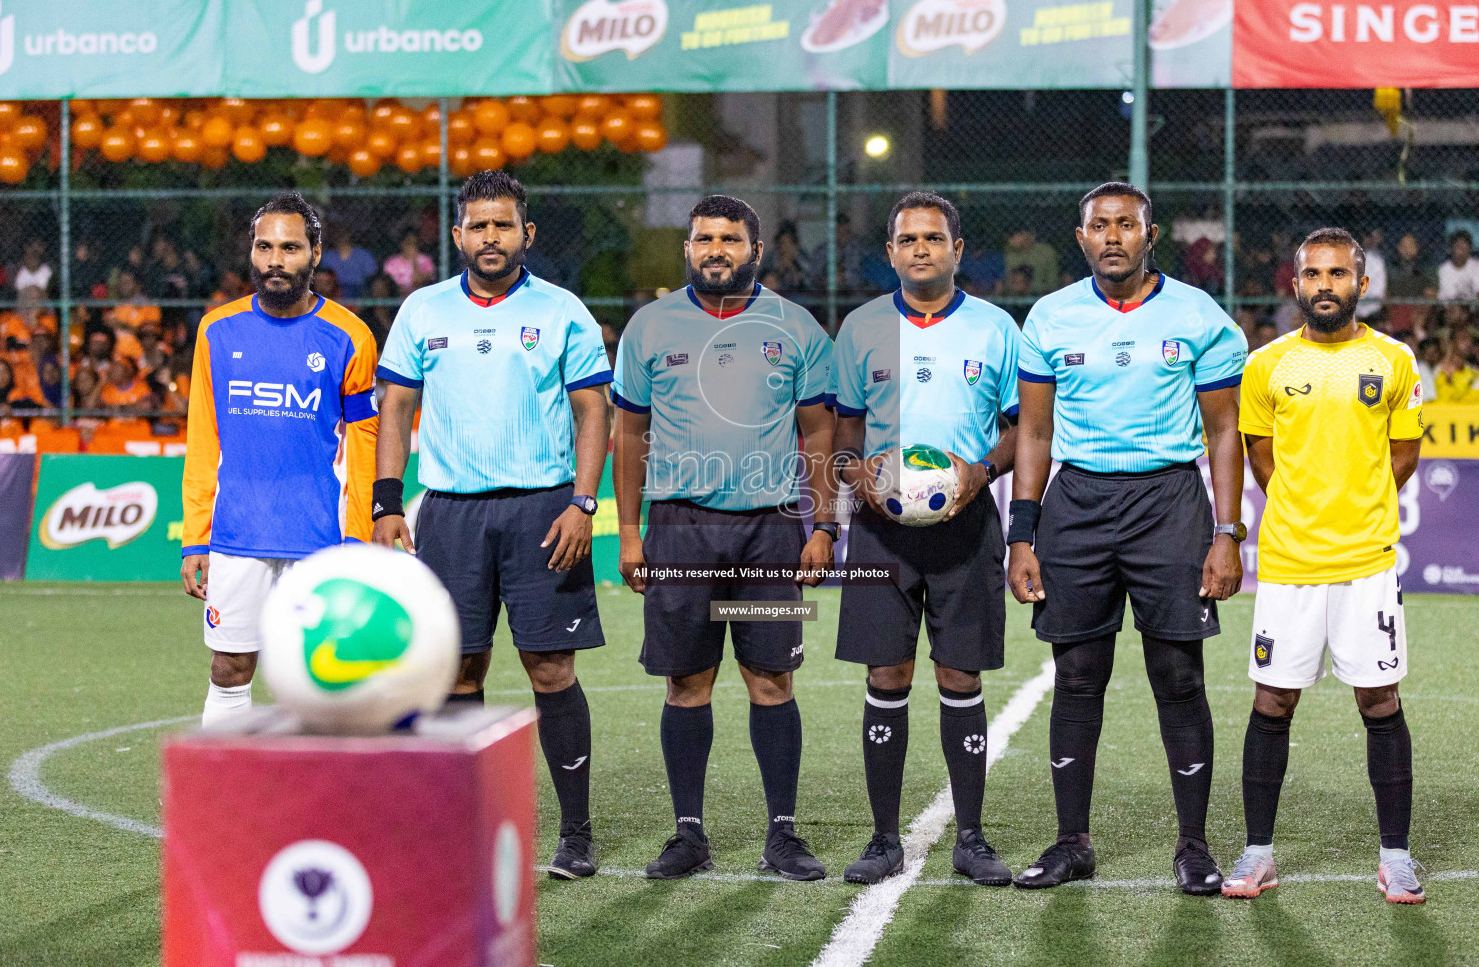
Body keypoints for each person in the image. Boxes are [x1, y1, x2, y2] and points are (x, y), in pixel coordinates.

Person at [1007, 181, 1247, 895]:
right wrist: (1023, 533)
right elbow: (1036, 432)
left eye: (1126, 225)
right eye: (1099, 226)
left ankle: (1194, 846)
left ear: (1150, 235)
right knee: (1078, 677)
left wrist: (1228, 532)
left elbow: (1224, 429)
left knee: (1178, 676)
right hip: (1076, 504)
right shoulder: (1050, 317)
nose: (1113, 237)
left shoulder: (1197, 314)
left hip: (1168, 501)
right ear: (1080, 238)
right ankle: (1071, 842)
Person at [371, 170, 612, 882]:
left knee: (551, 667)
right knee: (457, 669)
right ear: (458, 235)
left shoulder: (563, 310)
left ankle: (576, 834)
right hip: (450, 513)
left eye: (503, 225)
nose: (490, 237)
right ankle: (461, 826)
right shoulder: (422, 309)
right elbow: (394, 409)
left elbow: (593, 410)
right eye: (478, 225)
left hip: (545, 510)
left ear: (526, 234)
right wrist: (388, 503)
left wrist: (584, 503)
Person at [611, 196, 835, 881]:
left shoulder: (795, 327)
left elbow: (819, 432)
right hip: (680, 528)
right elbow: (629, 434)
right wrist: (628, 529)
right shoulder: (649, 327)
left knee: (772, 679)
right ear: (687, 249)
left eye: (730, 239)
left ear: (755, 250)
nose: (716, 250)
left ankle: (783, 836)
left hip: (770, 531)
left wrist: (822, 524)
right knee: (686, 682)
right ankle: (689, 835)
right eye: (704, 239)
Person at [1223, 227, 1425, 904]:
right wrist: (1306, 509)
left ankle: (1395, 855)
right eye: (1313, 274)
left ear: (1362, 285)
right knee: (1273, 699)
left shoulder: (1394, 360)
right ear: (1296, 284)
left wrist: (1356, 508)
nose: (1325, 286)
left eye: (1338, 274)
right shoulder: (1267, 365)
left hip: (1367, 562)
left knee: (1380, 699)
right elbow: (1258, 454)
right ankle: (1258, 853)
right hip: (1288, 563)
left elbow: (1402, 456)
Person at [832, 191, 1022, 887]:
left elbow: (1022, 432)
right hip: (882, 532)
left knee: (959, 675)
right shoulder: (858, 330)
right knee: (886, 675)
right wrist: (858, 479)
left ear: (957, 250)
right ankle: (884, 839)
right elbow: (843, 437)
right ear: (890, 253)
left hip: (964, 525)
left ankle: (971, 838)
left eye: (934, 239)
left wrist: (979, 474)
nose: (921, 249)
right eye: (907, 239)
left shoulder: (997, 330)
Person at [180, 193, 379, 727]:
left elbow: (364, 449)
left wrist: (359, 542)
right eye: (264, 246)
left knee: (329, 678)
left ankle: (327, 800)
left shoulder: (350, 337)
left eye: (290, 247)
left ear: (315, 254)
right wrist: (196, 537)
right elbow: (203, 439)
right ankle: (220, 794)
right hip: (237, 534)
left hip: (321, 539)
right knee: (229, 666)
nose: (275, 260)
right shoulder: (216, 331)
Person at [320, 224, 378, 300]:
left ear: (349, 234)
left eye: (343, 232)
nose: (340, 235)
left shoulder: (363, 255)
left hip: (360, 290)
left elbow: (372, 275)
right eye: (336, 232)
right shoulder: (327, 256)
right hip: (335, 291)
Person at [759, 220, 812, 294]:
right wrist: (779, 270)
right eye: (781, 243)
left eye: (788, 243)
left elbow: (809, 284)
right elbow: (762, 282)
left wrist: (791, 268)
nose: (784, 248)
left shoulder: (802, 258)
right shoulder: (770, 259)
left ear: (795, 244)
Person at [1436, 230, 1479, 302]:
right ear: (1451, 248)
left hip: (1472, 309)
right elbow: (1443, 298)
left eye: (1464, 247)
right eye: (1458, 246)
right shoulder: (1443, 269)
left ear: (1470, 249)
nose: (1461, 250)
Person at [1005, 228, 1060, 295]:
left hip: (1044, 295)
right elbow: (1009, 283)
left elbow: (1053, 282)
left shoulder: (1046, 252)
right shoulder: (1011, 255)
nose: (1010, 241)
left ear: (1029, 235)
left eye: (1014, 236)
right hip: (1016, 297)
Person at [382, 229, 436, 294]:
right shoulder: (392, 263)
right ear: (402, 244)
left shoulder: (426, 261)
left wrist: (414, 261)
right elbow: (389, 283)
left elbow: (418, 280)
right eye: (409, 243)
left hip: (418, 292)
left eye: (415, 244)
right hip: (397, 293)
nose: (412, 246)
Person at [1357, 228, 1388, 319]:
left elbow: (1381, 289)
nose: (1372, 240)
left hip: (1374, 308)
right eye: (1369, 237)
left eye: (1376, 237)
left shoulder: (1378, 260)